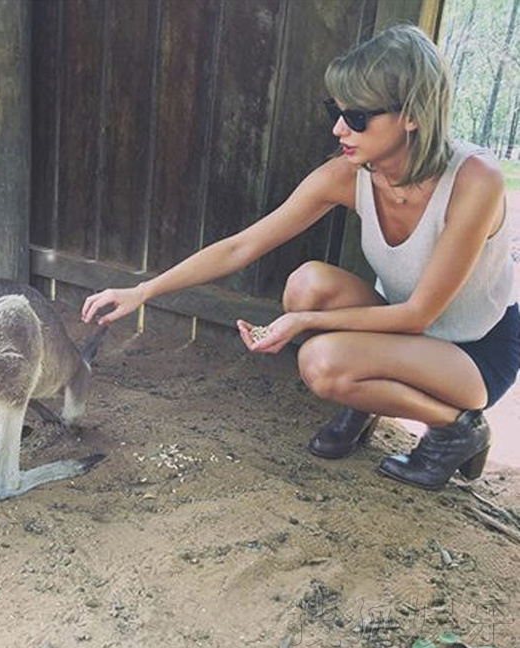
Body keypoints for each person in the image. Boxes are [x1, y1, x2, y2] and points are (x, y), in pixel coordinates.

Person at [81, 24, 518, 492]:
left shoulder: (475, 180)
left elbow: (419, 314)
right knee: (306, 282)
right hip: (402, 330)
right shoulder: (348, 174)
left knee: (321, 363)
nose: (338, 128)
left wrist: (299, 323)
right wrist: (143, 290)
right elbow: (242, 246)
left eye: (356, 116)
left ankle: (458, 428)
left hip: (473, 349)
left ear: (412, 115)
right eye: (336, 110)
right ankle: (367, 394)